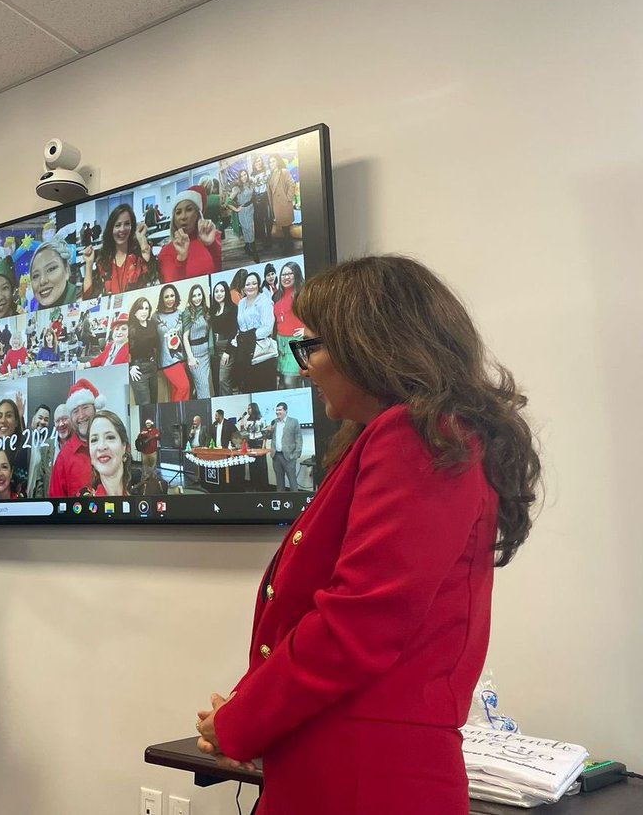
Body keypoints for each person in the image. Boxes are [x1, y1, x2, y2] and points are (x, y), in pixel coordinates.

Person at [193, 255, 541, 815]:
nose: (305, 368)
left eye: (311, 346)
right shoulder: (412, 435)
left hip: (366, 775)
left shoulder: (418, 434)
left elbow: (358, 622)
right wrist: (246, 708)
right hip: (347, 764)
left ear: (369, 345)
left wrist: (239, 720)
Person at [81, 203, 157, 299]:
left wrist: (142, 239)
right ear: (111, 229)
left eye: (127, 224)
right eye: (117, 225)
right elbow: (87, 296)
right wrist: (89, 264)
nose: (122, 229)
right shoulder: (104, 261)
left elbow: (152, 277)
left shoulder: (139, 254)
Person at [223, 271, 276, 394]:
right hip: (244, 351)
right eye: (247, 284)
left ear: (258, 285)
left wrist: (247, 337)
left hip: (261, 351)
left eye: (254, 283)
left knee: (263, 388)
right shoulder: (241, 302)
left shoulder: (265, 301)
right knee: (247, 387)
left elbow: (268, 328)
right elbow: (240, 327)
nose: (251, 287)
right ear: (243, 286)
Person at [158, 186, 222, 282]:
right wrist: (181, 259)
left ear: (198, 214)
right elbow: (171, 287)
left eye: (189, 210)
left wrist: (211, 245)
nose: (183, 217)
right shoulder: (166, 252)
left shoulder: (214, 237)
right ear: (174, 219)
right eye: (178, 212)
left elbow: (225, 270)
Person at [48, 379, 101, 496]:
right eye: (75, 411)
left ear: (95, 408)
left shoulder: (110, 446)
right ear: (71, 417)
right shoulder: (63, 458)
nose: (81, 415)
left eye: (85, 407)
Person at [273, 261, 308, 389]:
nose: (286, 277)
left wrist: (306, 330)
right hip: (281, 344)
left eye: (290, 273)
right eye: (283, 274)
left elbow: (314, 314)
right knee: (285, 382)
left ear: (296, 275)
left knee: (291, 381)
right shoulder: (276, 296)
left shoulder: (303, 294)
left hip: (297, 342)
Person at [85, 410, 135, 496]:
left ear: (124, 446)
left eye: (110, 437)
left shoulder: (147, 490)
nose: (101, 447)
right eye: (94, 440)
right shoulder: (83, 500)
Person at [155, 284, 190, 401]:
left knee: (176, 390)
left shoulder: (181, 313)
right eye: (166, 297)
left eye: (172, 296)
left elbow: (185, 336)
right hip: (166, 360)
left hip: (182, 358)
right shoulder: (155, 317)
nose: (170, 299)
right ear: (162, 299)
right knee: (184, 387)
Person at [28, 236, 81, 311]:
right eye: (35, 276)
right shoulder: (36, 310)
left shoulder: (80, 298)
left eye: (51, 269)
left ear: (67, 270)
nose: (42, 281)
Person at [182, 283, 213, 399]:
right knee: (203, 387)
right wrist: (190, 357)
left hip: (206, 355)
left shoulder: (206, 311)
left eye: (199, 295)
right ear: (190, 298)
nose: (197, 298)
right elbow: (185, 337)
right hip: (195, 357)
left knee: (204, 387)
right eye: (194, 296)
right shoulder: (188, 313)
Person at [127, 297, 160, 405]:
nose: (144, 311)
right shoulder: (131, 329)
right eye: (141, 308)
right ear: (135, 312)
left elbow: (156, 345)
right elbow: (124, 351)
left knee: (154, 402)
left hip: (152, 367)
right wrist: (130, 366)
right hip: (138, 370)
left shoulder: (152, 324)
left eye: (146, 308)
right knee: (145, 404)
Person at [209, 280, 237, 397]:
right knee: (216, 381)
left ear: (226, 292)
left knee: (223, 379)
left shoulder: (233, 308)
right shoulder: (212, 310)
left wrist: (227, 352)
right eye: (216, 291)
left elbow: (234, 332)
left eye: (221, 291)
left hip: (227, 348)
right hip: (214, 349)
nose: (219, 294)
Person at [267, 402, 303, 492]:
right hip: (276, 456)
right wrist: (269, 431)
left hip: (289, 456)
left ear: (285, 411)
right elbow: (269, 437)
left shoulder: (294, 421)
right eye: (276, 410)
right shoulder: (274, 422)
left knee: (292, 481)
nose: (277, 412)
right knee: (279, 482)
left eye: (280, 410)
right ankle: (281, 499)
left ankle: (295, 499)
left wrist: (296, 454)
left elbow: (298, 438)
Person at [268, 153, 297, 254]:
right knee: (283, 226)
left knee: (285, 225)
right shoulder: (271, 174)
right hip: (276, 204)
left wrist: (288, 198)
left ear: (277, 161)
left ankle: (288, 246)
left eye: (273, 161)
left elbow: (292, 184)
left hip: (284, 203)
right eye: (270, 162)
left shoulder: (283, 171)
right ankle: (288, 241)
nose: (271, 164)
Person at [24, 404, 53, 498]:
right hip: (21, 497)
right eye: (40, 418)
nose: (42, 422)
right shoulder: (25, 441)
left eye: (46, 419)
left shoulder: (47, 446)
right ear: (33, 418)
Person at [240, 401, 270, 490]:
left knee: (261, 467)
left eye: (250, 408)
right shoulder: (248, 421)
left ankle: (263, 488)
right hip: (251, 444)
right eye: (248, 408)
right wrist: (241, 423)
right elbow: (244, 434)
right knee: (252, 467)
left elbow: (265, 434)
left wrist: (263, 447)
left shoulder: (261, 419)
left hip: (259, 444)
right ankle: (254, 487)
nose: (248, 410)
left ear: (254, 409)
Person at [249, 154, 271, 250]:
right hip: (256, 198)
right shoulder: (252, 175)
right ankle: (263, 239)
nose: (259, 162)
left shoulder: (267, 171)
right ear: (254, 163)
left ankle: (269, 236)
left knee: (269, 218)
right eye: (257, 161)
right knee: (260, 220)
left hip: (266, 196)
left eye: (260, 160)